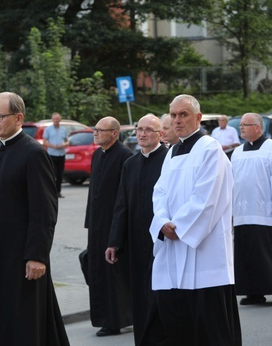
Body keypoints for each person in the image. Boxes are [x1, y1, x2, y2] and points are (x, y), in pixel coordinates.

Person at [0, 92, 69, 346]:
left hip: (22, 257)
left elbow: (45, 209)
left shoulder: (33, 153)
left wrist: (37, 256)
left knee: (25, 321)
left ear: (18, 118)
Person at [147, 94, 241, 345]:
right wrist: (161, 222)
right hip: (173, 247)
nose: (177, 120)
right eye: (174, 115)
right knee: (178, 323)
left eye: (183, 114)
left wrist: (178, 227)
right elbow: (160, 193)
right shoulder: (172, 152)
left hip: (204, 252)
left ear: (198, 118)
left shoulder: (210, 149)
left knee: (209, 327)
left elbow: (208, 197)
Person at [105, 114, 168, 344]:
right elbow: (121, 204)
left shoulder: (169, 160)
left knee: (160, 293)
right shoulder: (130, 164)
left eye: (149, 130)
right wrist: (114, 241)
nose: (142, 134)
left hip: (162, 241)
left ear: (161, 134)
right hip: (134, 240)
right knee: (139, 293)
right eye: (139, 129)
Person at [231, 113, 272, 305]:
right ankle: (253, 292)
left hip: (265, 211)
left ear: (258, 127)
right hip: (242, 212)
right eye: (240, 125)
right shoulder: (238, 151)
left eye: (245, 125)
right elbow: (232, 182)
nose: (241, 128)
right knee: (246, 254)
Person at [84, 116, 133, 337]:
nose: (95, 133)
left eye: (100, 130)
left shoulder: (125, 156)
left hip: (114, 225)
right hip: (96, 225)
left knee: (114, 275)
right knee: (97, 271)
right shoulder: (97, 155)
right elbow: (93, 192)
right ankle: (103, 317)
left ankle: (115, 320)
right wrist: (89, 222)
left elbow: (125, 197)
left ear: (114, 133)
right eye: (94, 129)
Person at [43, 112, 69, 198]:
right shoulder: (48, 129)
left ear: (60, 119)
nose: (56, 121)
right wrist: (53, 146)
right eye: (54, 119)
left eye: (57, 119)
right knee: (52, 174)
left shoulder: (63, 129)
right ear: (52, 120)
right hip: (52, 154)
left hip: (61, 154)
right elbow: (44, 142)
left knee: (60, 174)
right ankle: (51, 192)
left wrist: (64, 144)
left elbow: (67, 141)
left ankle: (58, 192)